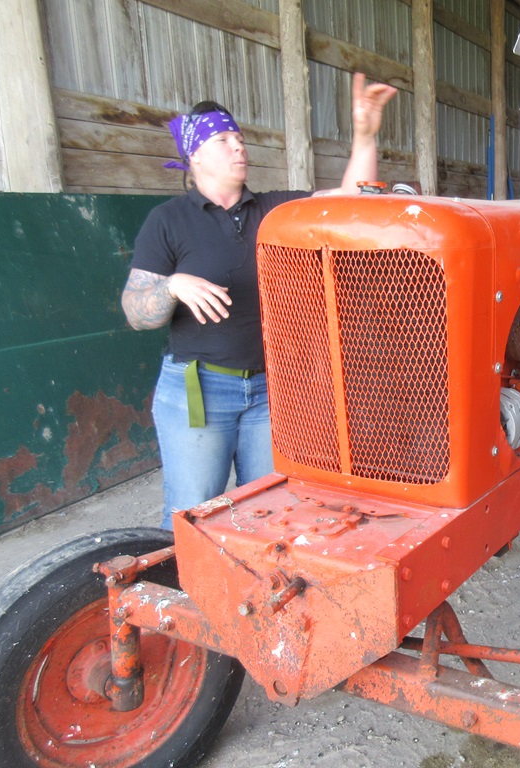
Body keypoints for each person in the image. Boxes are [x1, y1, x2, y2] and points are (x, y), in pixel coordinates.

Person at [122, 73, 397, 529]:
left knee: (271, 511)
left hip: (272, 391)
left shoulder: (274, 209)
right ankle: (190, 597)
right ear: (193, 155)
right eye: (224, 139)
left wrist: (365, 135)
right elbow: (136, 313)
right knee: (194, 515)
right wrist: (172, 286)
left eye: (240, 138)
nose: (238, 147)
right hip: (200, 390)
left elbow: (353, 202)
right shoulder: (167, 221)